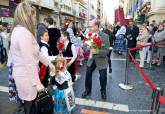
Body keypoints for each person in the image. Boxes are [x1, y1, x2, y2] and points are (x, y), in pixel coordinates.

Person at [10, 2, 55, 114]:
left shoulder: (20, 30)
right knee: (30, 106)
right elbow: (29, 61)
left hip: (25, 75)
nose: (35, 17)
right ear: (26, 16)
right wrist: (37, 83)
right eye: (33, 14)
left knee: (30, 105)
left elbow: (37, 53)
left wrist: (49, 63)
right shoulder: (23, 33)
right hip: (26, 77)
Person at [81, 20, 110, 100]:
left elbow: (106, 51)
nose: (89, 28)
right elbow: (84, 48)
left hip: (101, 59)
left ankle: (103, 91)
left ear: (97, 26)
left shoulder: (105, 36)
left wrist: (96, 51)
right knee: (88, 75)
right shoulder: (88, 35)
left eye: (91, 26)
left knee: (103, 77)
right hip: (91, 59)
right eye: (89, 26)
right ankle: (87, 90)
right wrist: (86, 48)